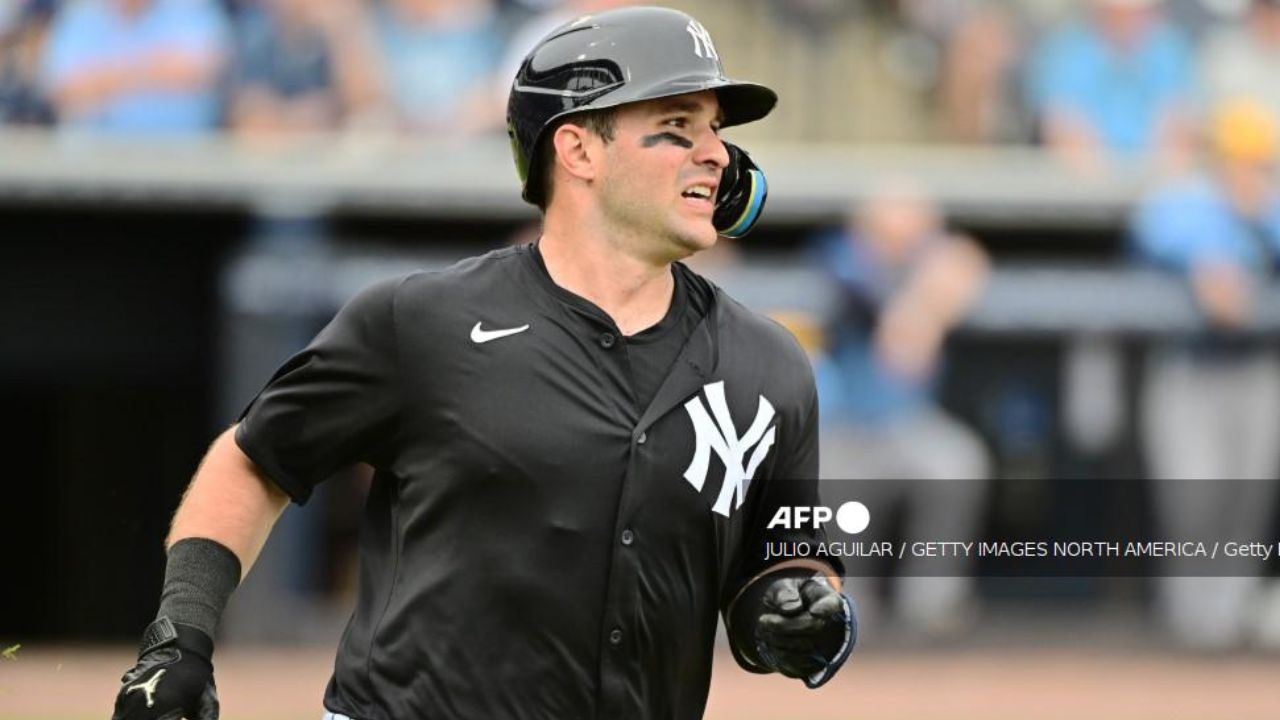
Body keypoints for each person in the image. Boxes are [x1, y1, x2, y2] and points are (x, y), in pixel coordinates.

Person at [109, 7, 855, 720]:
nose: (717, 154)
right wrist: (180, 636)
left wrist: (800, 611)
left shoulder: (771, 366)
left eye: (716, 131)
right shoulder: (419, 321)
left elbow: (783, 566)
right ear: (579, 150)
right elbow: (254, 462)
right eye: (674, 128)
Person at [1131, 99, 1280, 649]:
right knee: (1192, 500)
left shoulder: (1269, 208)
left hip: (1257, 369)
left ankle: (1229, 619)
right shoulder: (1185, 201)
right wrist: (1212, 256)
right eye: (1237, 161)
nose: (1246, 172)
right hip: (1190, 369)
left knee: (1248, 501)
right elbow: (1158, 230)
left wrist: (1256, 219)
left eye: (1256, 162)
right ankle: (1190, 624)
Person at [813, 181, 990, 638]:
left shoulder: (929, 260)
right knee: (837, 485)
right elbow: (877, 312)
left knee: (957, 462)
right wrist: (923, 303)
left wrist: (923, 305)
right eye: (894, 220)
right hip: (843, 426)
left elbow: (965, 258)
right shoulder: (841, 254)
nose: (907, 232)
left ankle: (931, 606)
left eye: (917, 223)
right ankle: (845, 606)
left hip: (909, 425)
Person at [1027, 0, 1196, 171]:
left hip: (1157, 185)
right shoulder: (1065, 51)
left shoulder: (1168, 48)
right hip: (1084, 184)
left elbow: (1177, 126)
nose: (1128, 20)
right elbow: (1064, 128)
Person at [40, 0, 230, 135]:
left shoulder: (189, 8)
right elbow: (64, 90)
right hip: (95, 162)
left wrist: (105, 79)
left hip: (189, 161)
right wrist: (156, 69)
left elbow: (200, 70)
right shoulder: (82, 17)